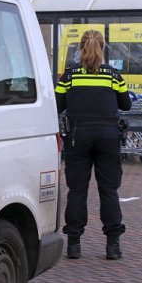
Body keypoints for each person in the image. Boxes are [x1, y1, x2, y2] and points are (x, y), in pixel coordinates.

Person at [55, 29, 132, 260]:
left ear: (80, 49)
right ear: (103, 48)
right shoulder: (113, 76)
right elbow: (126, 105)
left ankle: (74, 244)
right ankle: (112, 245)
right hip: (108, 135)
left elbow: (58, 106)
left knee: (77, 190)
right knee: (109, 190)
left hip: (78, 136)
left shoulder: (69, 77)